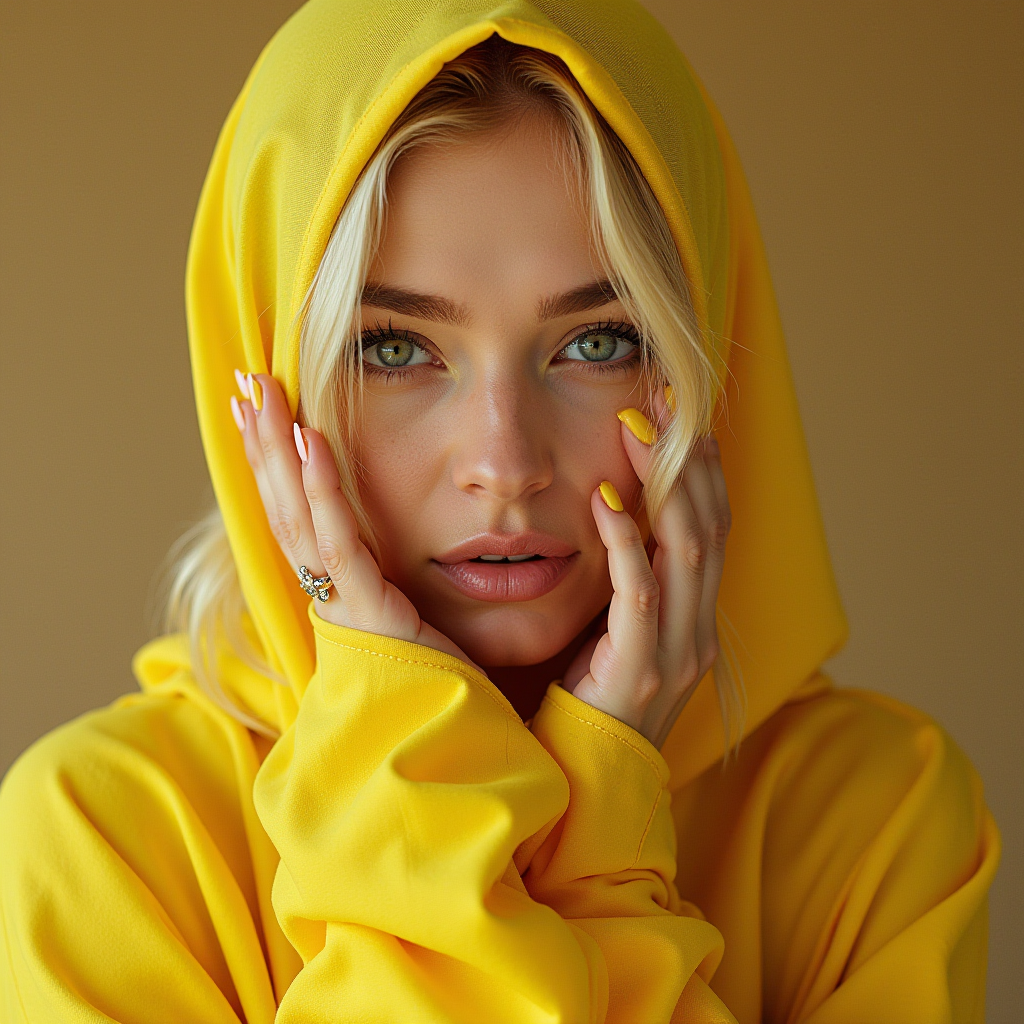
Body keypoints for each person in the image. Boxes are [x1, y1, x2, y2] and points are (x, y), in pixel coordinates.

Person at [0, 2, 1000, 1021]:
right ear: (267, 376)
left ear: (704, 358)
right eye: (392, 348)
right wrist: (427, 764)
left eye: (598, 340)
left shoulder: (874, 824)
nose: (504, 463)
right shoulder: (109, 840)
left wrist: (598, 835)